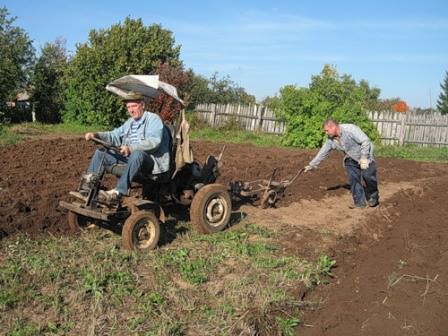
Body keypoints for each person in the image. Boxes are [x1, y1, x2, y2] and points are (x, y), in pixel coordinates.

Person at [82, 91, 171, 203]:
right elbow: (114, 135)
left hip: (151, 162)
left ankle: (119, 192)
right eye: (128, 107)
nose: (131, 110)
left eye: (134, 106)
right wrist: (97, 135)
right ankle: (88, 188)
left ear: (142, 105)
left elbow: (154, 142)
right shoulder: (130, 123)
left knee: (137, 154)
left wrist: (131, 148)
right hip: (131, 159)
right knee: (101, 153)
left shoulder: (153, 119)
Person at [304, 118, 379, 209]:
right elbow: (323, 152)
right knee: (353, 179)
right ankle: (359, 202)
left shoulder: (350, 129)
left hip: (365, 155)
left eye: (327, 130)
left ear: (333, 127)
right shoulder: (331, 140)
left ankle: (373, 196)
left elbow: (365, 141)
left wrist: (364, 158)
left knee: (368, 177)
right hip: (351, 157)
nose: (326, 133)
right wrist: (312, 165)